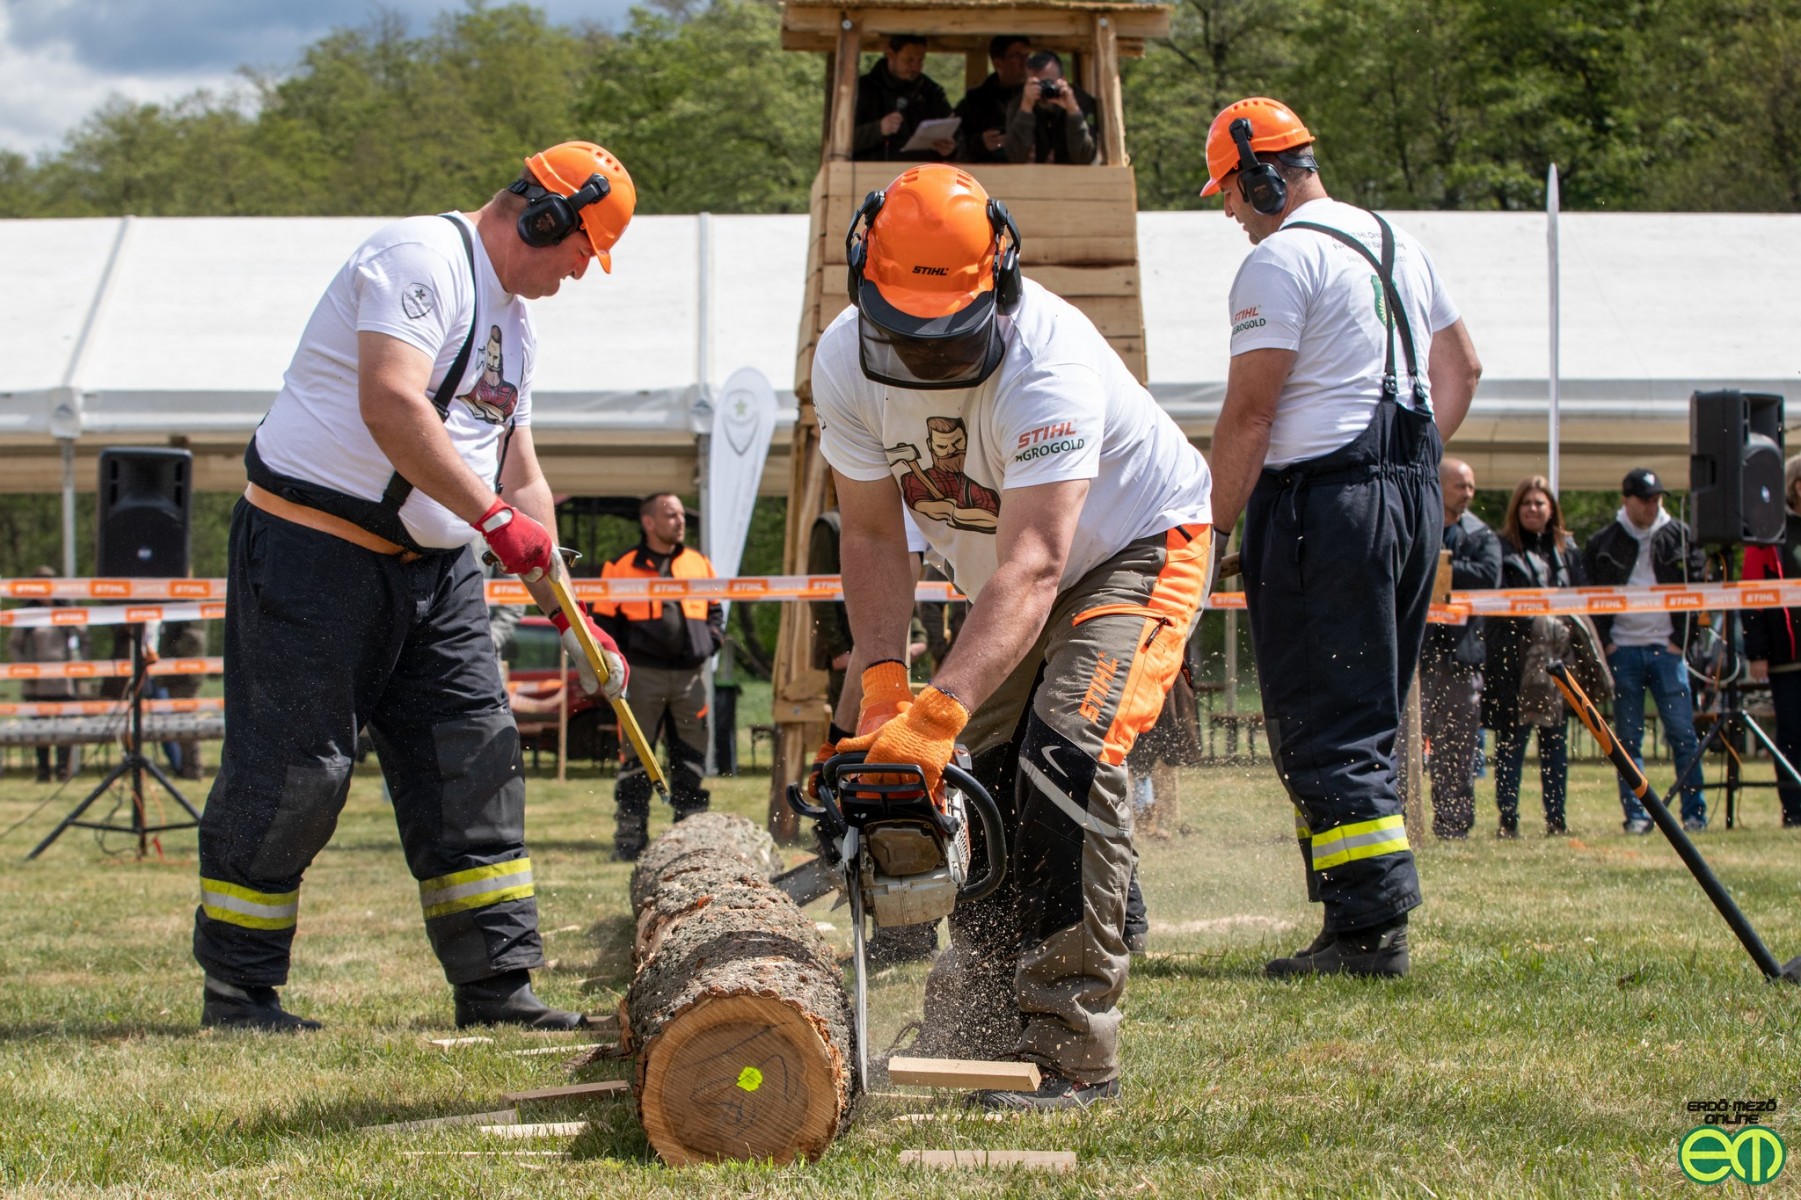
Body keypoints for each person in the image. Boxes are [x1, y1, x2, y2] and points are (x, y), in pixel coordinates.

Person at [193, 141, 635, 1033]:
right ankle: (239, 990)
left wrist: (576, 617)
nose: (578, 274)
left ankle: (497, 988)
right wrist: (493, 521)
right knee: (296, 773)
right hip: (313, 556)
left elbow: (521, 470)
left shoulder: (517, 324)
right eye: (579, 251)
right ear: (542, 218)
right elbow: (392, 403)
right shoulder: (417, 261)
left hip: (435, 572)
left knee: (474, 760)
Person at [815, 164, 1213, 1109]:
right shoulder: (840, 363)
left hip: (1132, 546)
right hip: (1009, 583)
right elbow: (872, 535)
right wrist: (883, 690)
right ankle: (983, 1011)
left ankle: (1073, 1051)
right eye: (900, 335)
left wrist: (939, 706)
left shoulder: (1050, 360)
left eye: (944, 338)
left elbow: (1039, 560)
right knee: (978, 781)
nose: (921, 357)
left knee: (1065, 758)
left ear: (997, 285)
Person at [1200, 97, 1481, 978]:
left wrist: (1204, 534)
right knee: (1361, 714)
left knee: (1323, 721)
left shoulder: (1280, 260)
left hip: (1324, 502)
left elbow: (1249, 415)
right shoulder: (1398, 244)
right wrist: (1418, 467)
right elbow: (1459, 369)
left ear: (1261, 174)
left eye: (1231, 196)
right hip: (1404, 497)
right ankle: (1348, 912)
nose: (1230, 216)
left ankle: (1368, 929)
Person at [592, 493, 724, 860]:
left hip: (689, 678)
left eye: (682, 515)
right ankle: (630, 839)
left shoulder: (700, 562)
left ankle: (691, 836)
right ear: (649, 522)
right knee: (636, 757)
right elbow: (603, 624)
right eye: (671, 515)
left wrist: (709, 643)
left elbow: (716, 612)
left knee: (691, 756)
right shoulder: (619, 566)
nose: (680, 521)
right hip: (643, 677)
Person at [1582, 468, 1708, 832]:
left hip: (1668, 651)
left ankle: (1693, 814)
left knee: (1683, 734)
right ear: (1626, 500)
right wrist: (1606, 644)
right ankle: (1636, 817)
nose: (1653, 506)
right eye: (1645, 500)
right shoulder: (1604, 541)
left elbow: (1700, 594)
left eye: (1657, 499)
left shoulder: (1682, 537)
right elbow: (1589, 595)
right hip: (1623, 651)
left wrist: (1681, 641)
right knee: (1627, 740)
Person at [1482, 478, 1590, 836]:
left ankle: (1556, 819)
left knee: (1555, 746)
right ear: (1517, 509)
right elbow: (1495, 602)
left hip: (1559, 663)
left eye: (1539, 503)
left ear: (1551, 510)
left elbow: (1583, 602)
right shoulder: (1501, 548)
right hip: (1515, 662)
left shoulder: (1567, 551)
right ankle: (1507, 820)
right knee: (1512, 745)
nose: (1532, 508)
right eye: (1526, 502)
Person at [1420, 458, 1501, 839]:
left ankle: (1454, 825)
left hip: (1462, 658)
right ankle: (1402, 819)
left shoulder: (1482, 534)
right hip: (1415, 657)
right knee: (1403, 744)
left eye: (1471, 486)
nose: (1468, 493)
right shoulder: (1419, 522)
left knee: (1458, 748)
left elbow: (1489, 577)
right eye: (1460, 486)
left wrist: (1441, 568)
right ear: (1438, 485)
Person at [1734, 454, 1801, 828]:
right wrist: (1757, 652)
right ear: (1795, 486)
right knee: (1791, 735)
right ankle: (1794, 810)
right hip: (1786, 656)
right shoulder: (1771, 534)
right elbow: (1752, 598)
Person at [7, 566, 86, 783]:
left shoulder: (67, 611)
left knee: (65, 729)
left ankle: (63, 770)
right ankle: (43, 771)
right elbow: (14, 646)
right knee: (39, 729)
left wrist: (80, 666)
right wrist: (25, 669)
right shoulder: (27, 614)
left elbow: (84, 639)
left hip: (65, 682)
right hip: (36, 683)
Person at [852, 35, 955, 162]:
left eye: (920, 60)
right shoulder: (862, 89)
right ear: (890, 54)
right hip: (873, 176)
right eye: (909, 60)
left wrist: (950, 149)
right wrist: (878, 129)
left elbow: (956, 135)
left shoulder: (931, 91)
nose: (916, 67)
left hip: (924, 175)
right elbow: (841, 142)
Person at [1001, 50, 1098, 165]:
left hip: (1077, 178)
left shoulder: (1081, 102)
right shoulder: (1019, 104)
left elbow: (1084, 157)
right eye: (1038, 84)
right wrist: (1026, 109)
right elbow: (1015, 157)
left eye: (1049, 83)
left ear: (1063, 80)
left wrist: (1073, 112)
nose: (1044, 90)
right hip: (1031, 178)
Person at [954, 35, 1033, 163]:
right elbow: (953, 146)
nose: (1025, 63)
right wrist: (981, 143)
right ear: (998, 63)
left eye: (1028, 56)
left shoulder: (1040, 96)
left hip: (1036, 175)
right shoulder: (974, 101)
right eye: (1017, 57)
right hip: (987, 176)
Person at [157, 620, 208, 780]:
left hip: (185, 675)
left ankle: (192, 768)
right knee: (181, 723)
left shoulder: (187, 603)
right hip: (177, 675)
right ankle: (187, 767)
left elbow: (193, 639)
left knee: (185, 723)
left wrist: (170, 652)